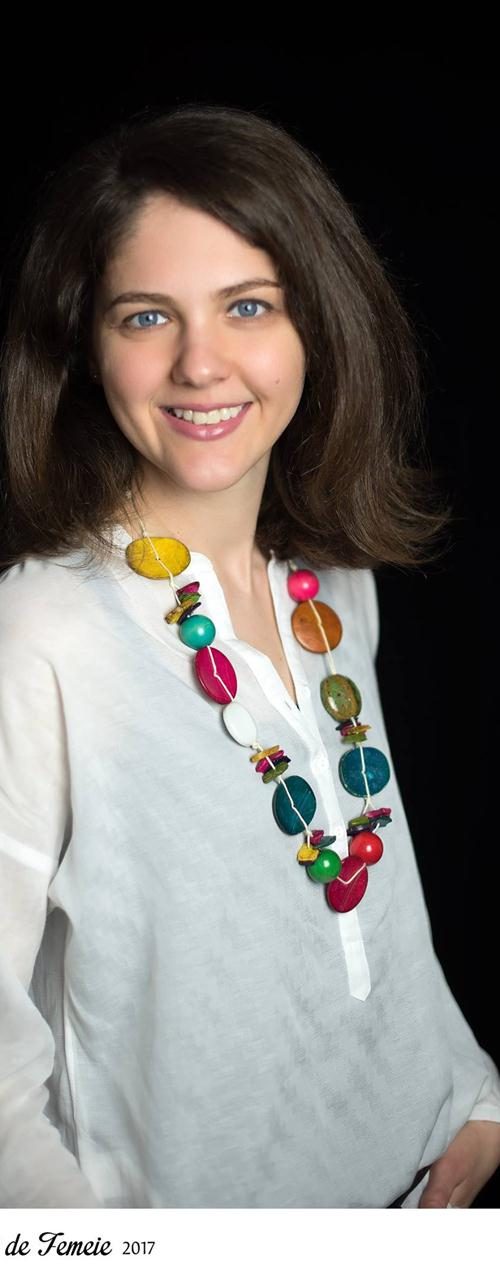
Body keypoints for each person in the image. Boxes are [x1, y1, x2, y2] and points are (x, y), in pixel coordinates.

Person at [0, 103, 499, 1211]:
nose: (200, 363)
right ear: (85, 345)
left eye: (247, 305)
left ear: (316, 322)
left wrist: (473, 1089)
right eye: (146, 316)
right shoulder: (41, 632)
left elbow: (367, 901)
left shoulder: (333, 583)